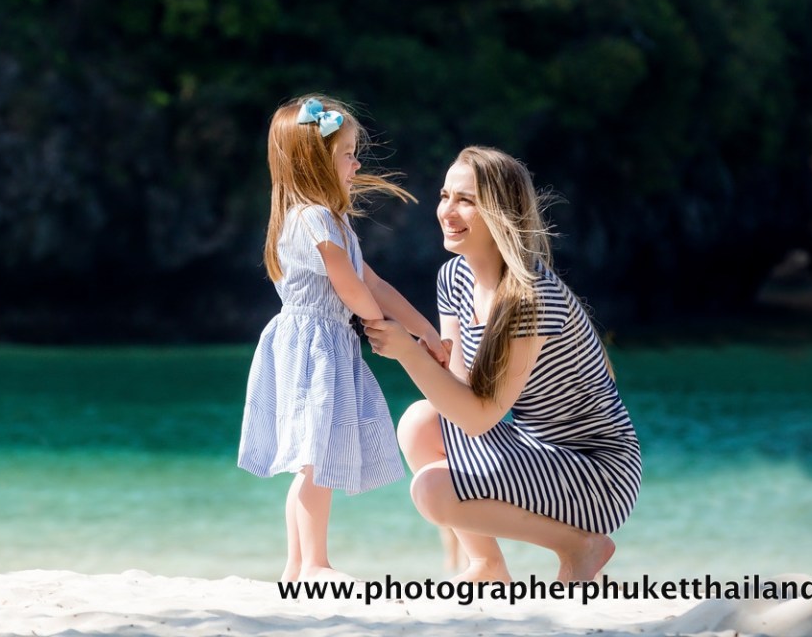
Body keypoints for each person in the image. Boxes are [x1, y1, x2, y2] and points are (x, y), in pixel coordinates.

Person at [364, 146, 640, 583]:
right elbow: (457, 395)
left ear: (502, 212)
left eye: (466, 200)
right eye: (444, 195)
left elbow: (479, 418)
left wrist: (409, 354)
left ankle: (581, 546)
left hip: (596, 472)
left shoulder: (532, 297)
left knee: (432, 491)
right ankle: (487, 565)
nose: (447, 211)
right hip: (534, 452)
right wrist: (420, 351)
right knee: (419, 422)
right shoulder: (454, 278)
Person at [238, 94, 448, 583]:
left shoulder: (334, 222)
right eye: (348, 152)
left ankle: (297, 566)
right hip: (313, 345)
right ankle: (313, 563)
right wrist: (380, 327)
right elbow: (348, 284)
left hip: (325, 341)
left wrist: (424, 330)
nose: (356, 162)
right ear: (316, 160)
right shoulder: (312, 218)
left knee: (313, 458)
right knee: (316, 459)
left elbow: (372, 282)